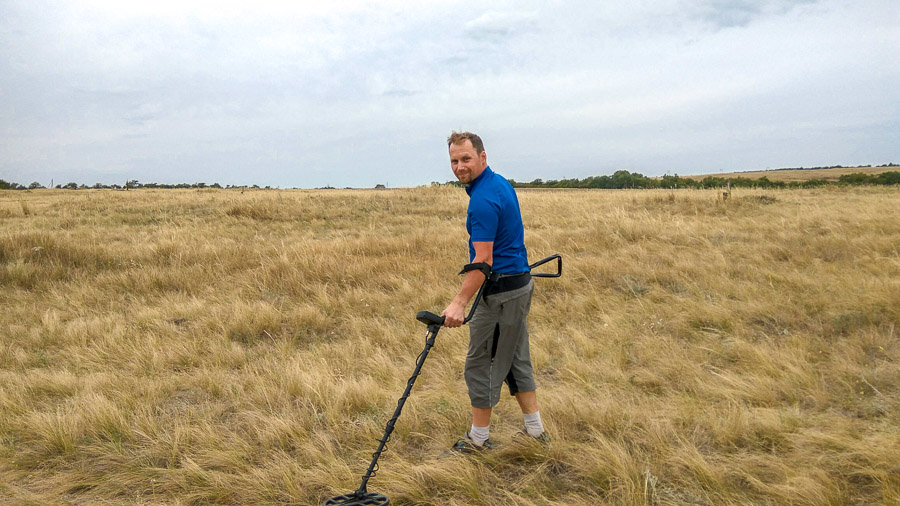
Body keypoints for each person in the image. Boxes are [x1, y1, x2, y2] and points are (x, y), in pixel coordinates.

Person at [441, 131, 550, 452]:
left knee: (482, 362)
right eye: (454, 161)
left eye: (466, 159)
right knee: (516, 358)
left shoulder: (483, 201)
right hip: (518, 285)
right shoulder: (498, 183)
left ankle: (478, 439)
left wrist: (459, 302)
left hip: (502, 291)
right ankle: (535, 430)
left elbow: (483, 261)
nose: (460, 167)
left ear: (483, 157)